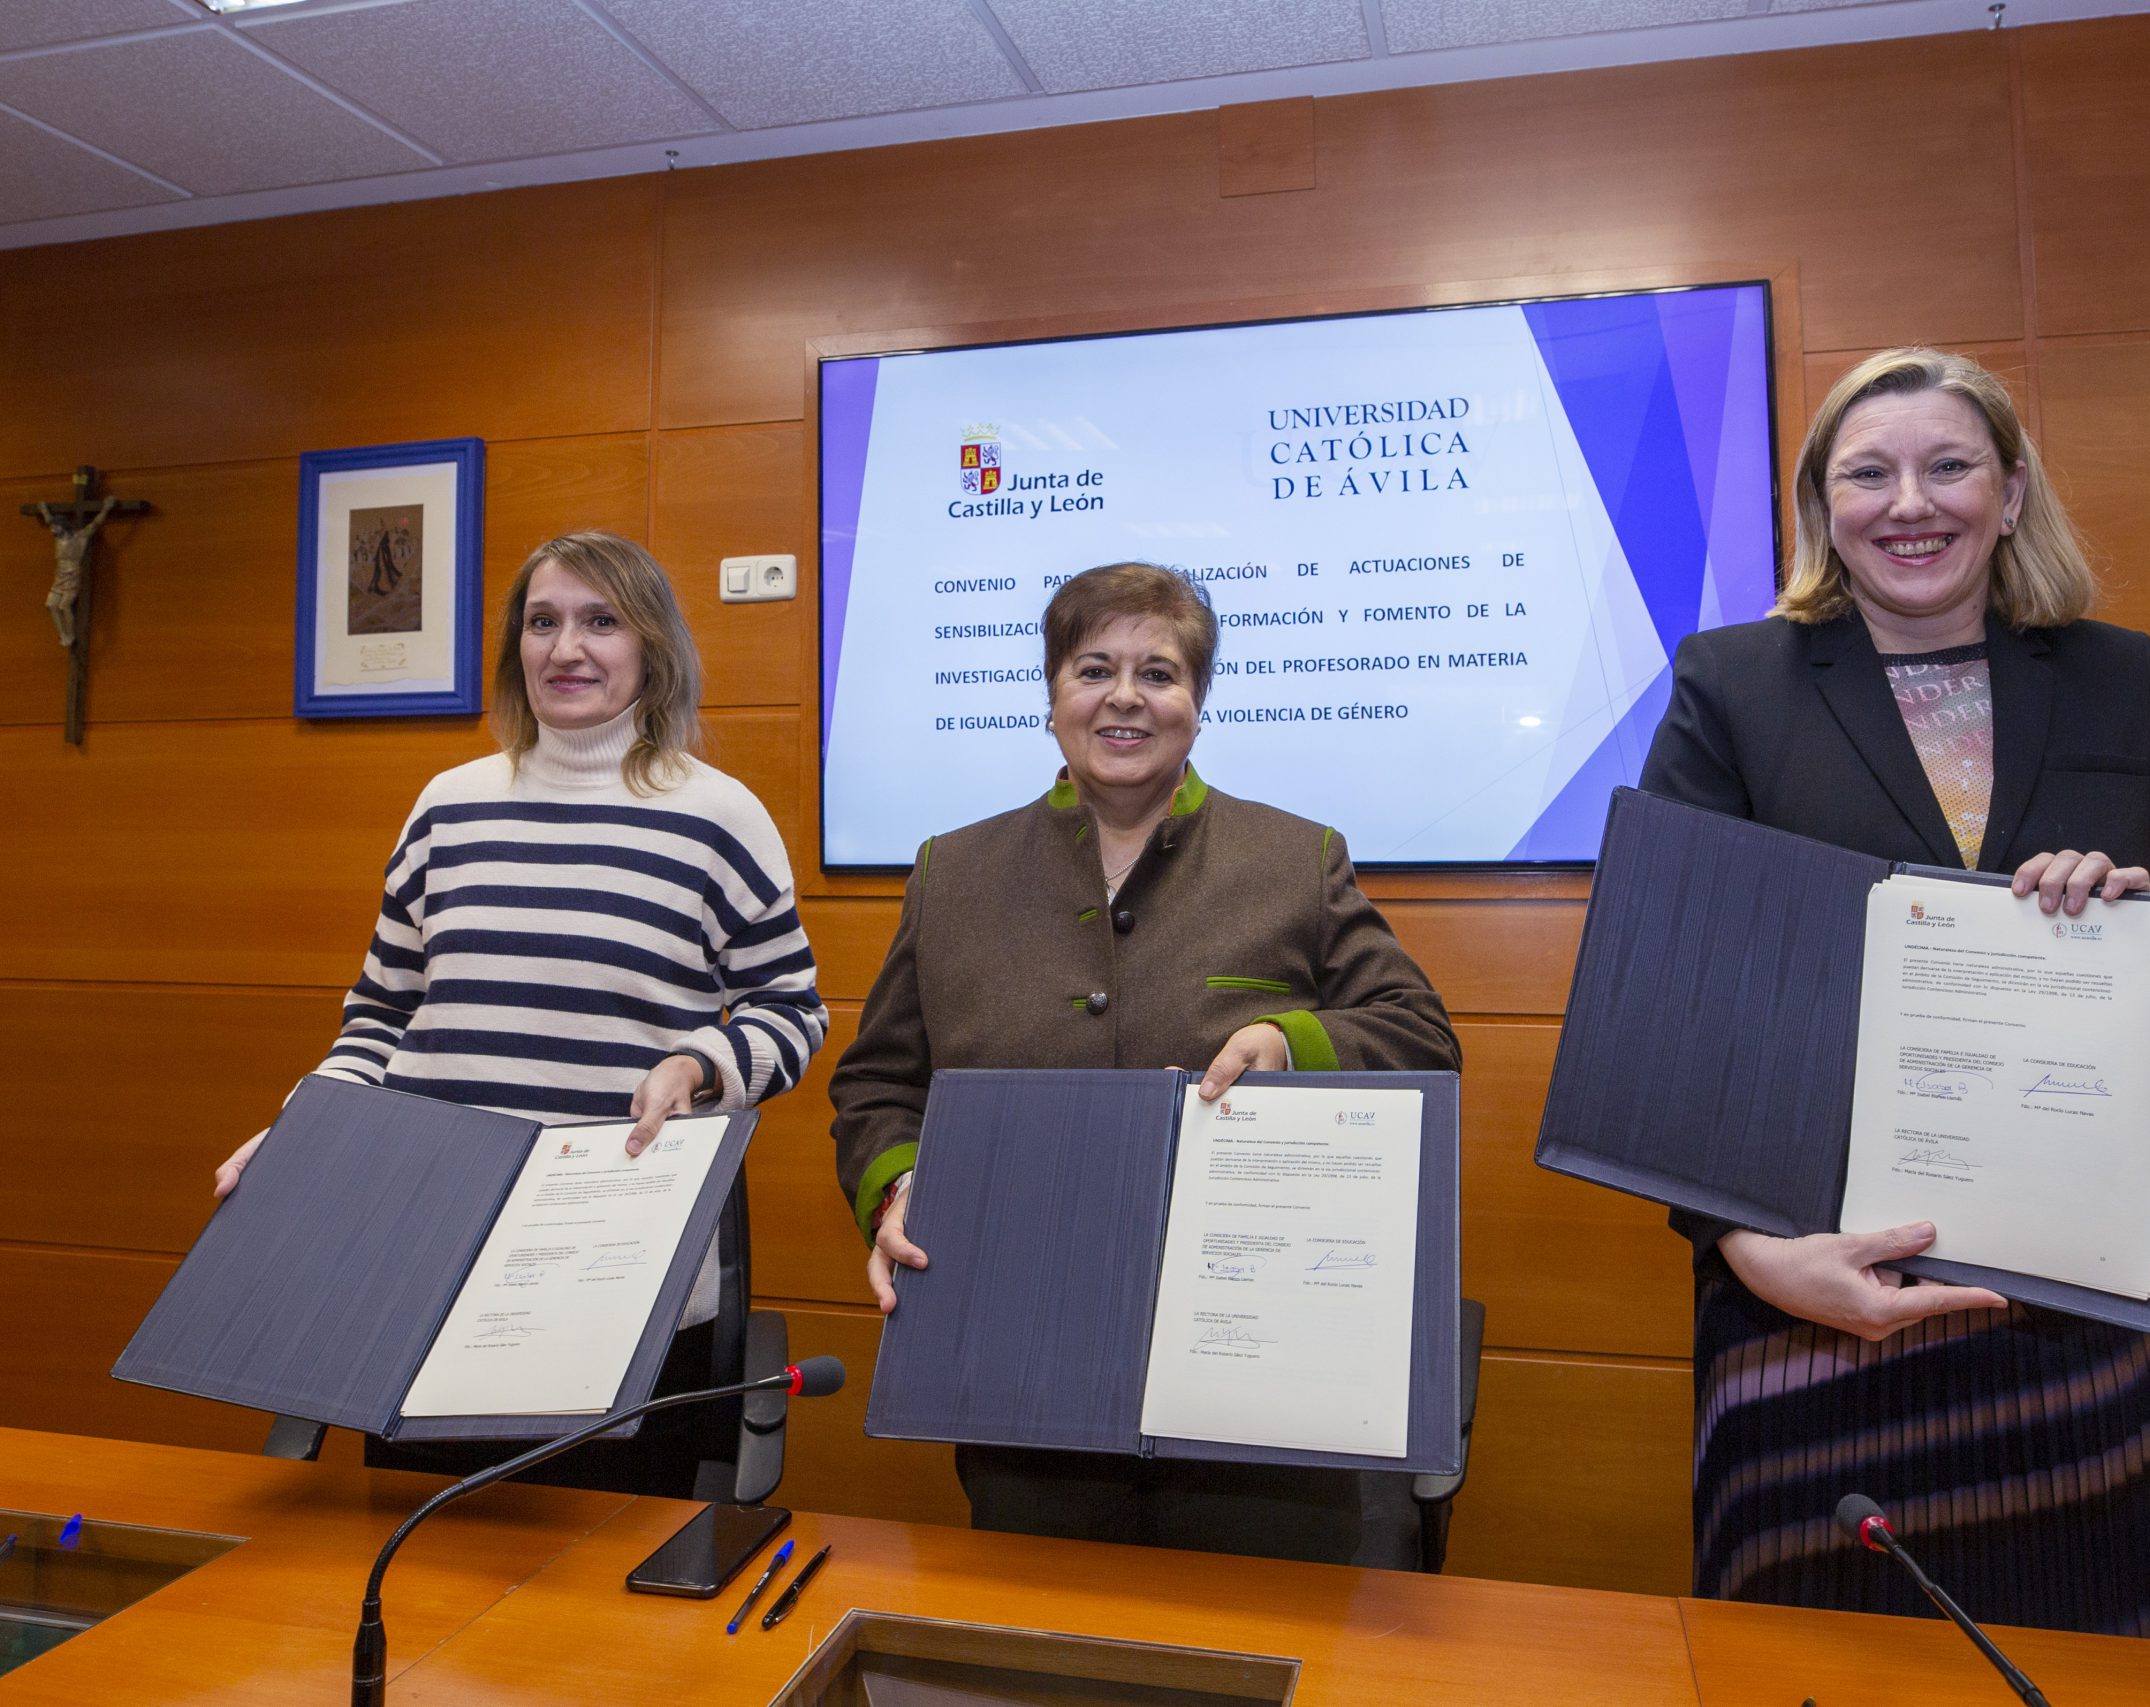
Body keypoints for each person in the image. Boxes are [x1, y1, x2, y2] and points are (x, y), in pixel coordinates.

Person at [1640, 348, 2150, 1639]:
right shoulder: (1731, 684)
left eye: (1949, 464)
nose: (1908, 500)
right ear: (1824, 503)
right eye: (1867, 471)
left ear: (2013, 490)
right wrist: (1755, 1250)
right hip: (1809, 1313)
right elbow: (1666, 1008)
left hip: (2065, 1332)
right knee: (1812, 1658)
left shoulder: (2116, 675)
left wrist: (2128, 938)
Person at [830, 560, 1460, 1561]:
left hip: (1261, 1370)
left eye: (1158, 673)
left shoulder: (1295, 859)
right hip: (1021, 1355)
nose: (1125, 697)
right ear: (1051, 701)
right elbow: (876, 1084)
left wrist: (1291, 1044)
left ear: (1198, 706)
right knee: (1042, 1646)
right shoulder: (954, 872)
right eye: (1093, 668)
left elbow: (1421, 1035)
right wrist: (899, 1185)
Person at [212, 530, 828, 1495]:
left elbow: (790, 1011)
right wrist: (308, 1128)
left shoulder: (719, 815)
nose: (565, 647)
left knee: (599, 1599)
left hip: (614, 1267)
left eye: (599, 621)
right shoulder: (447, 807)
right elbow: (380, 1015)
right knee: (418, 1562)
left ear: (650, 648)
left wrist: (699, 1065)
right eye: (543, 622)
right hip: (427, 1251)